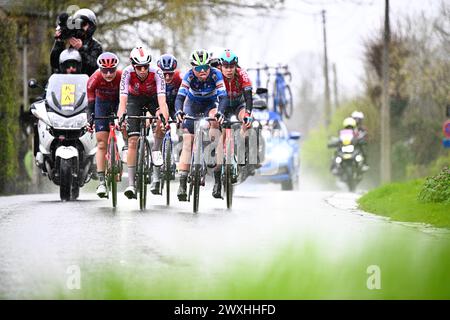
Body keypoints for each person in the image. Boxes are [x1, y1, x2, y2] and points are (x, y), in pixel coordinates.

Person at [174, 49, 227, 201]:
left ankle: (217, 181)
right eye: (198, 68)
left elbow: (223, 97)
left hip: (210, 104)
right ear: (193, 68)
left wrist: (221, 112)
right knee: (187, 142)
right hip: (192, 105)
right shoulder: (188, 76)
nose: (203, 71)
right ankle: (182, 184)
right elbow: (180, 97)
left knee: (215, 121)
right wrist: (178, 111)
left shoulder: (216, 74)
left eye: (206, 67)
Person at [116, 46, 169, 199]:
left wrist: (163, 119)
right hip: (134, 100)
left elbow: (162, 101)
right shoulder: (127, 72)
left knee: (161, 121)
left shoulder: (156, 72)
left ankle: (156, 150)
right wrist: (120, 117)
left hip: (153, 99)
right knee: (133, 140)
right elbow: (123, 101)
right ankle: (131, 184)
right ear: (133, 65)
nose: (143, 70)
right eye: (139, 67)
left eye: (145, 66)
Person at [86, 52, 123, 198]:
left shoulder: (121, 76)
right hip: (100, 105)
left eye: (112, 70)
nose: (108, 74)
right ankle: (101, 181)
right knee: (101, 143)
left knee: (126, 126)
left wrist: (123, 116)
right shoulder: (94, 78)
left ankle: (126, 147)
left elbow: (127, 97)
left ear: (116, 68)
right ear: (100, 69)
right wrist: (90, 119)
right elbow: (90, 103)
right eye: (105, 70)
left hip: (118, 103)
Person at [217, 49, 255, 177]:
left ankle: (242, 148)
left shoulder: (242, 74)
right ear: (220, 66)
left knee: (248, 121)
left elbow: (249, 97)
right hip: (222, 106)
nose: (229, 70)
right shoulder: (216, 75)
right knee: (219, 135)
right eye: (226, 67)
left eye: (231, 66)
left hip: (239, 105)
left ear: (236, 66)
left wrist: (248, 114)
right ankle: (217, 175)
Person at [50, 8, 103, 76]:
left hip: (87, 84)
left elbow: (95, 67)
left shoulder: (96, 46)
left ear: (91, 26)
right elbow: (54, 64)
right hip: (66, 83)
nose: (80, 27)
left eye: (83, 24)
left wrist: (81, 49)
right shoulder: (68, 41)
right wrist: (59, 42)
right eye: (77, 24)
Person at [157, 53, 182, 120]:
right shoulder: (155, 78)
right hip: (160, 105)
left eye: (170, 74)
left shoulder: (179, 77)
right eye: (164, 74)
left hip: (174, 106)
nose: (167, 77)